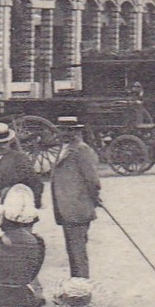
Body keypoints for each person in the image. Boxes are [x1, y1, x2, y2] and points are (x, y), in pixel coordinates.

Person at [49, 117, 102, 278]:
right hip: (66, 208)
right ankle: (76, 284)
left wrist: (95, 197)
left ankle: (81, 286)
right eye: (62, 130)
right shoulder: (63, 149)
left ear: (76, 131)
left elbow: (92, 179)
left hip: (78, 207)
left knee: (78, 251)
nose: (65, 133)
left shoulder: (81, 149)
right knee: (72, 249)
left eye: (69, 130)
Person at [0, 121, 45, 207]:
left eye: (5, 142)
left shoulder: (20, 158)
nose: (2, 146)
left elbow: (36, 184)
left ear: (10, 141)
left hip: (18, 205)